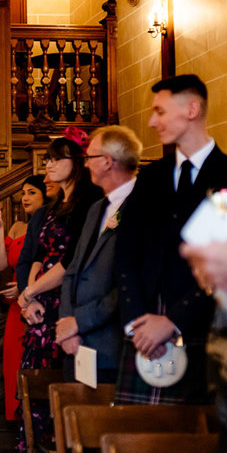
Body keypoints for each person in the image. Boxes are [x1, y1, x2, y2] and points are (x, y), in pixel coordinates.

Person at [116, 74, 227, 405]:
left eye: (160, 111)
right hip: (144, 332)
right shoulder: (150, 179)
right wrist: (138, 324)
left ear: (192, 109)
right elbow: (126, 252)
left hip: (204, 331)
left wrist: (174, 320)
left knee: (194, 450)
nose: (152, 121)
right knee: (135, 450)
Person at [13, 131, 102, 453]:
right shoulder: (50, 209)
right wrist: (28, 295)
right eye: (46, 159)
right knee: (36, 396)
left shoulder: (89, 205)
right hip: (40, 307)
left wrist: (32, 291)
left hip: (67, 304)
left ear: (77, 162)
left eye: (55, 158)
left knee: (65, 394)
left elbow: (71, 263)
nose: (47, 165)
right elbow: (37, 253)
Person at [56, 125, 141, 384]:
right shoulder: (95, 209)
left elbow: (130, 283)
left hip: (112, 345)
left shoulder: (141, 208)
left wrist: (79, 322)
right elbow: (73, 271)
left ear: (107, 161)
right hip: (76, 344)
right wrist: (67, 325)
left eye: (89, 158)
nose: (85, 165)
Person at [0, 175, 47, 421]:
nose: (25, 197)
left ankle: (39, 424)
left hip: (41, 303)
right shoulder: (18, 227)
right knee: (13, 367)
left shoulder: (50, 225)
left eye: (32, 192)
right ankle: (21, 428)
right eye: (23, 192)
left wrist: (26, 287)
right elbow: (1, 263)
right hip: (16, 310)